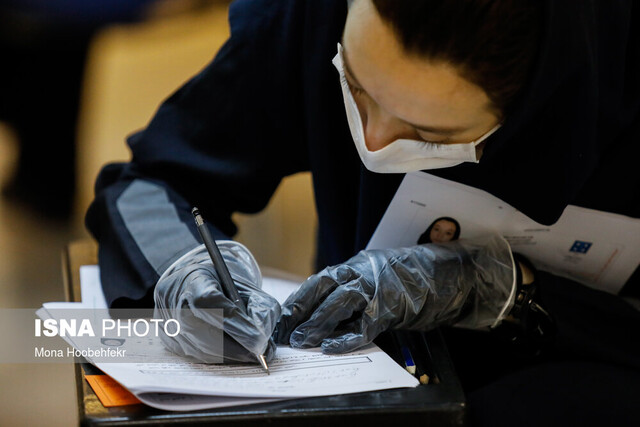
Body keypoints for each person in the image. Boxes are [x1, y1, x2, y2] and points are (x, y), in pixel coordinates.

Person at [86, 0, 640, 424]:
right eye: (354, 84)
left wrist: (505, 289)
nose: (372, 144)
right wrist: (185, 272)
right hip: (355, 384)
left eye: (429, 134)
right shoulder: (313, 15)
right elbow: (154, 179)